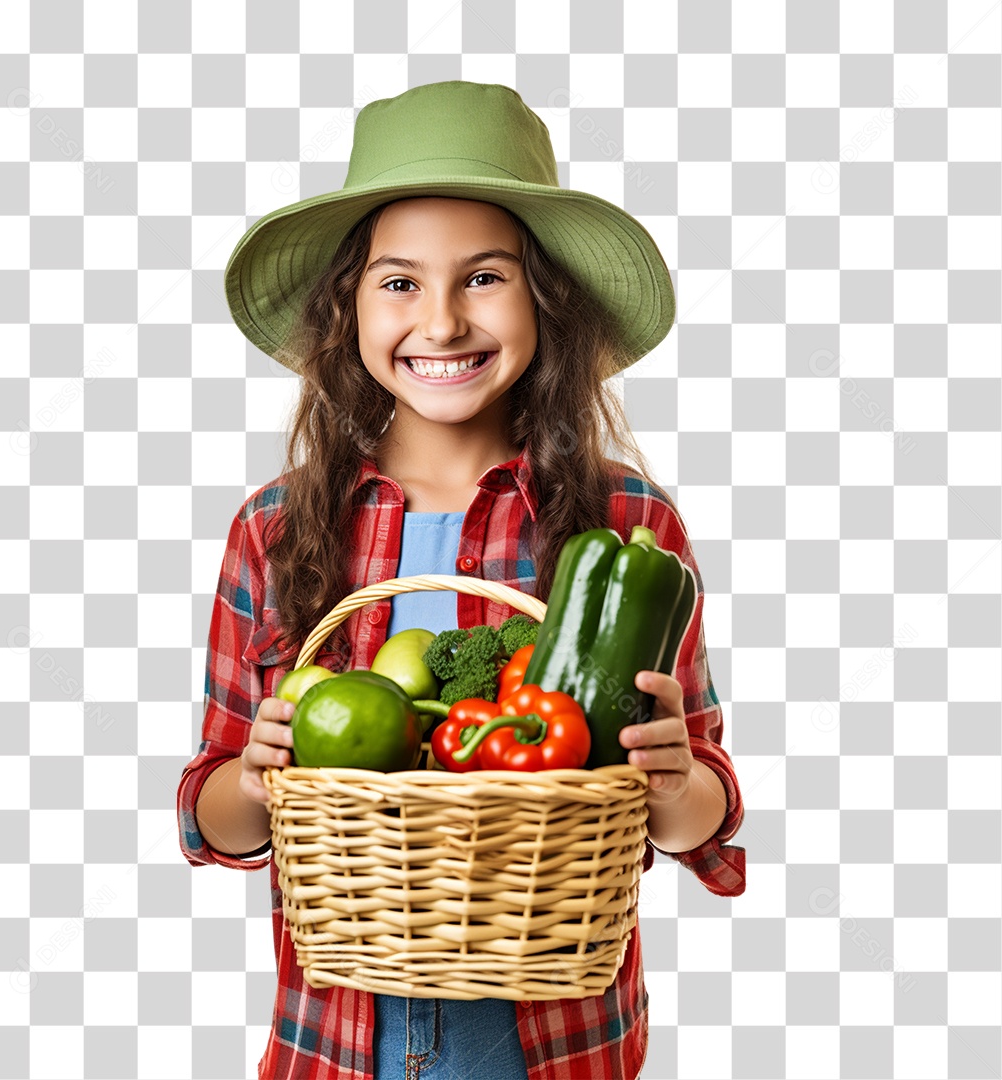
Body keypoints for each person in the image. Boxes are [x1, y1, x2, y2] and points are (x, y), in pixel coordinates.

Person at [177, 80, 745, 1080]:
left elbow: (704, 818)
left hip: (552, 1039)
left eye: (484, 277)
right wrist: (257, 774)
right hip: (339, 1033)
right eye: (399, 283)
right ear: (345, 309)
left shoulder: (629, 528)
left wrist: (674, 778)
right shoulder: (275, 530)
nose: (440, 323)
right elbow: (211, 815)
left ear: (545, 301)